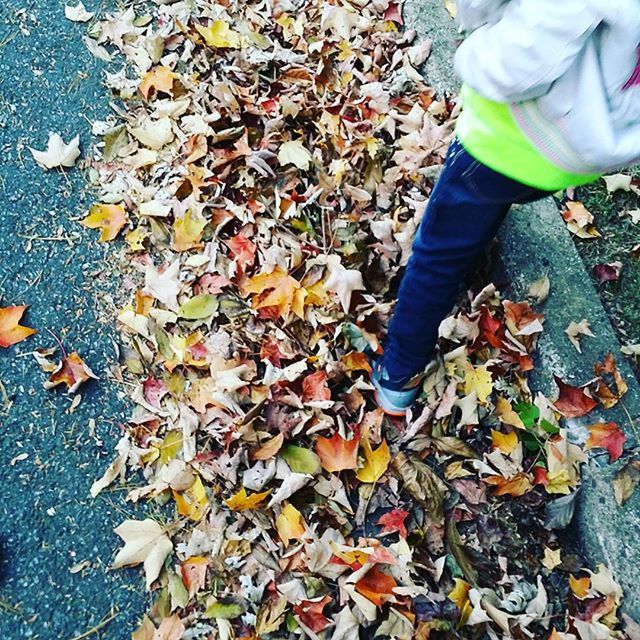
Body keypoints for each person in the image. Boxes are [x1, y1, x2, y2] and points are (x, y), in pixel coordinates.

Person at [371, 0, 640, 416]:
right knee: (506, 194)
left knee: (438, 255)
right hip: (587, 145)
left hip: (507, 137)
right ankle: (487, 220)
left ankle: (398, 376)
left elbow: (517, 63)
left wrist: (472, 58)